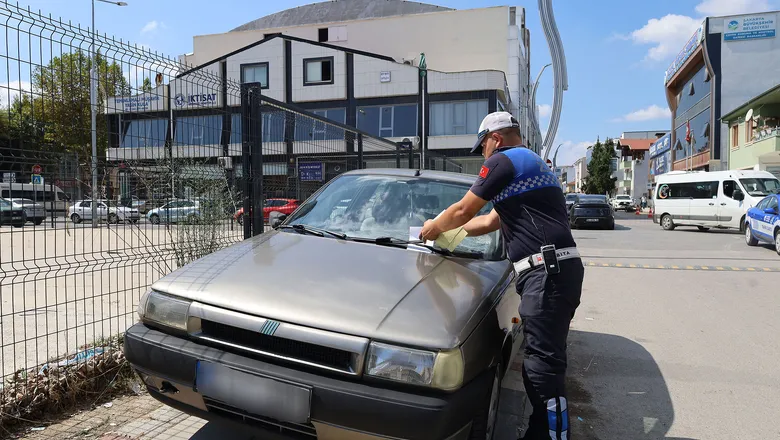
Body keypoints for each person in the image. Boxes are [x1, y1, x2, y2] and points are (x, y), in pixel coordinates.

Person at [419, 112, 584, 440]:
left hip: (546, 273)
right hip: (557, 271)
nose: (482, 154)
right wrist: (456, 234)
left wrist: (431, 227)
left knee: (542, 369)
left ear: (494, 138)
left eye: (482, 146)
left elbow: (465, 209)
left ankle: (552, 436)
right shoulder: (530, 163)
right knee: (545, 363)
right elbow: (491, 220)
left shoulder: (503, 161)